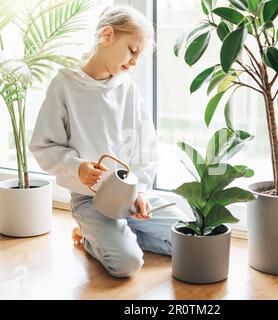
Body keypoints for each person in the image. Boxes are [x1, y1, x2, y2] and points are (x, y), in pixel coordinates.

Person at [29, 6, 188, 278]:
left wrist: (139, 193)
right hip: (90, 201)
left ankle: (116, 233)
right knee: (127, 265)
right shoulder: (64, 85)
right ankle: (94, 237)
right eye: (132, 50)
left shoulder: (128, 89)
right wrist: (77, 166)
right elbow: (43, 146)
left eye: (140, 55)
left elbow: (145, 150)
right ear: (107, 35)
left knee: (190, 235)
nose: (135, 61)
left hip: (131, 197)